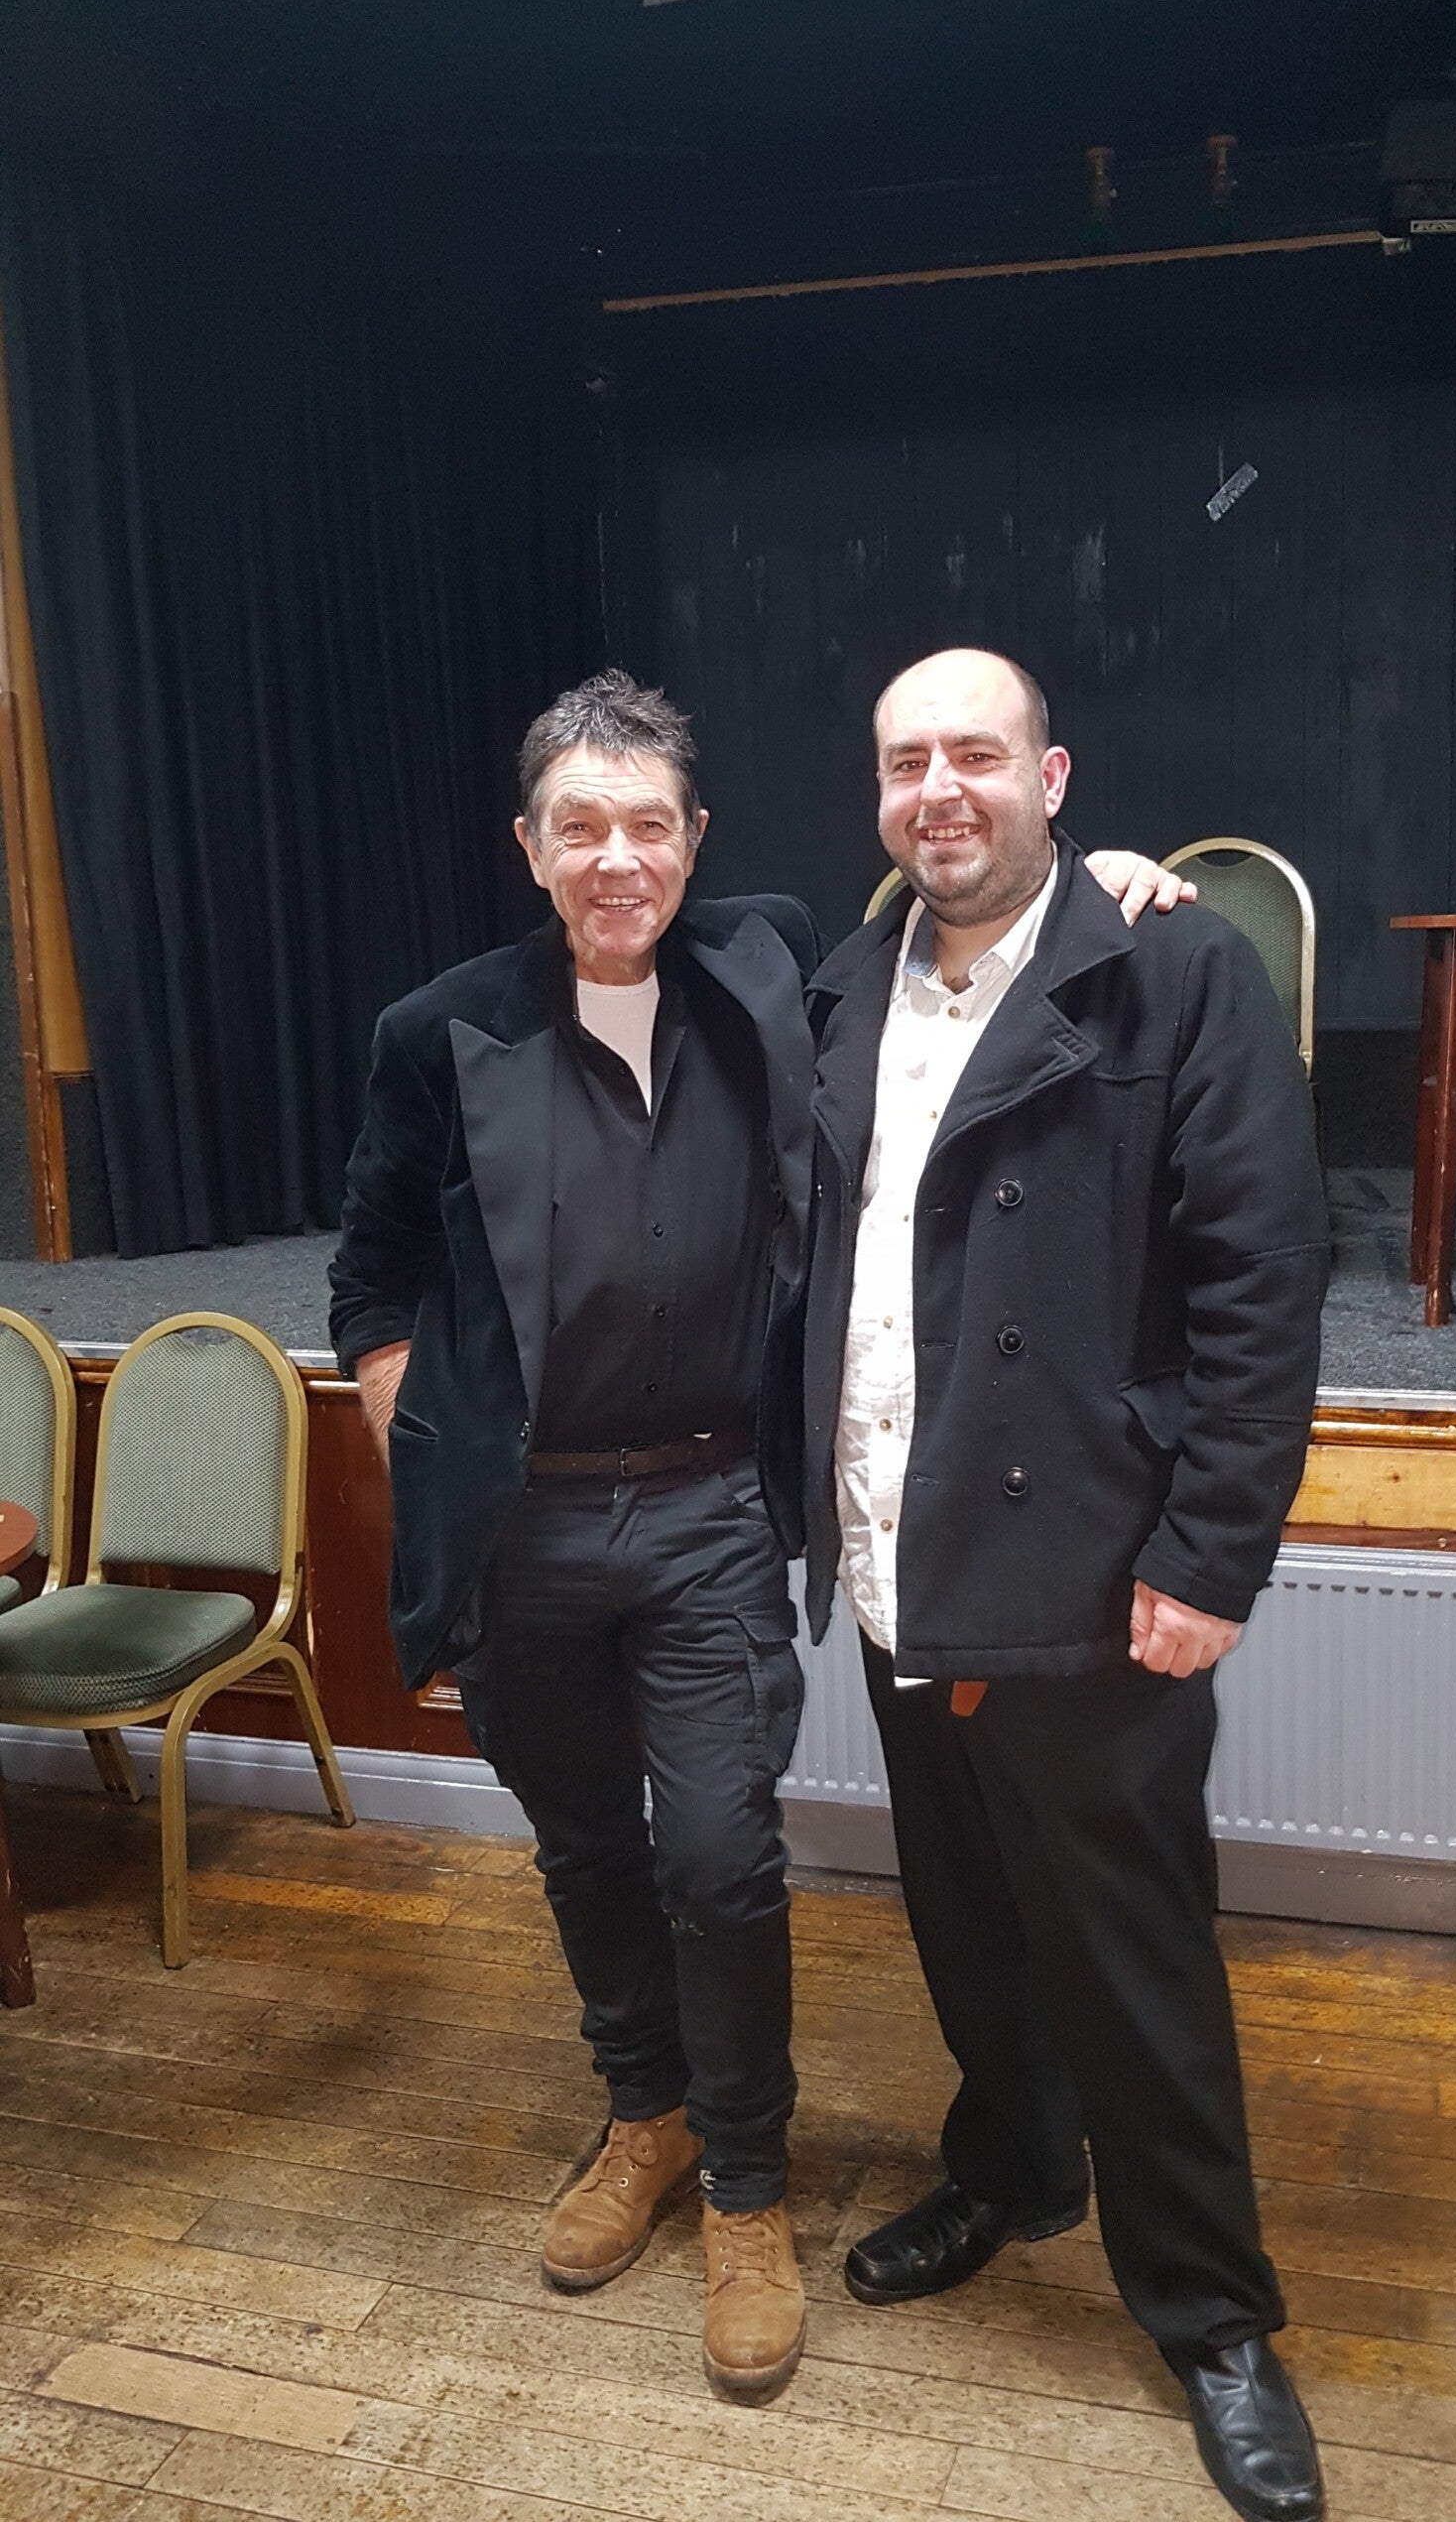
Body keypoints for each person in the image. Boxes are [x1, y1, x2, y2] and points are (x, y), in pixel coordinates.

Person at [327, 667, 1187, 2406]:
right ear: (529, 847)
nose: (617, 859)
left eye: (648, 825)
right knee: (586, 1851)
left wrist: (1108, 881)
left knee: (720, 1860)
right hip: (524, 1533)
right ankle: (640, 2115)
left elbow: (980, 929)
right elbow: (371, 1278)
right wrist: (426, 1434)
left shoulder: (771, 961)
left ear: (696, 838)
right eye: (580, 828)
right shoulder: (439, 1031)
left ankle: (741, 2179)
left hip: (712, 1508)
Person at [801, 649, 1331, 2520]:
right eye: (905, 761)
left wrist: (1210, 1553)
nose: (938, 789)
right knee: (965, 1918)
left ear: (1053, 777)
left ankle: (1213, 2317)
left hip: (1093, 1570)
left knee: (1131, 1956)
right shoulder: (843, 985)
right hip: (902, 1552)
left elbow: (1265, 1278)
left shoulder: (1173, 968)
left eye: (978, 753)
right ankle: (1016, 2170)